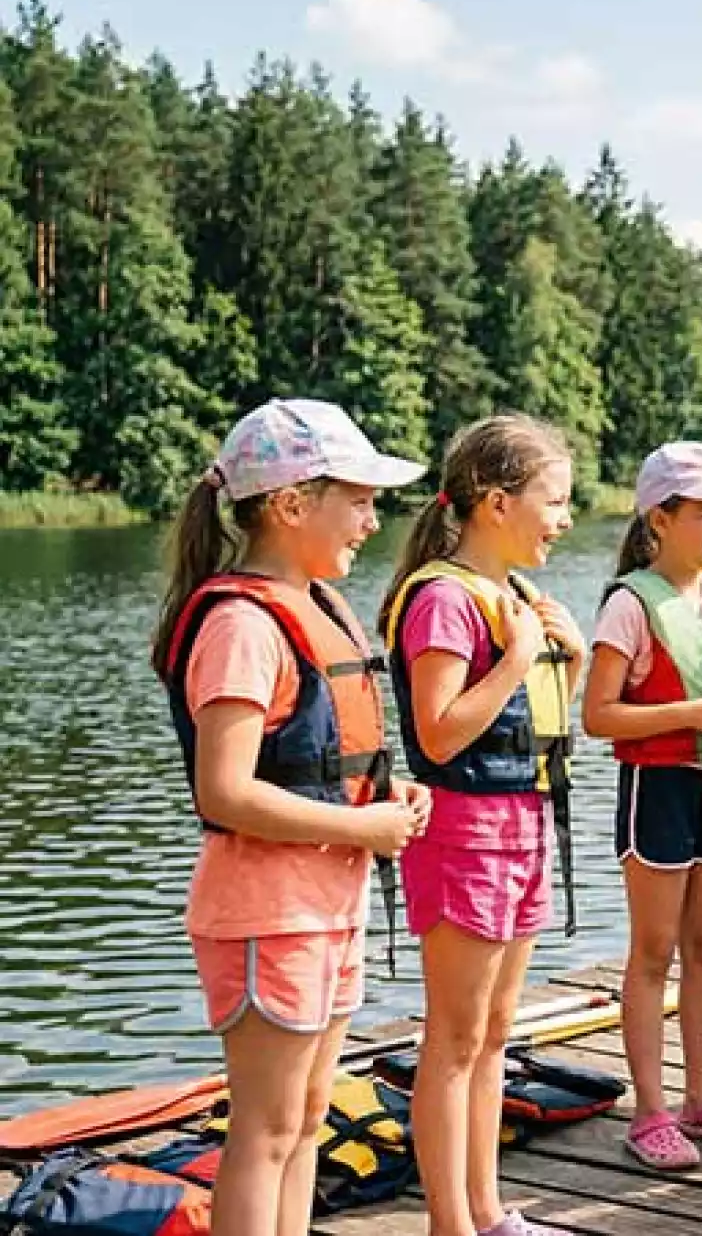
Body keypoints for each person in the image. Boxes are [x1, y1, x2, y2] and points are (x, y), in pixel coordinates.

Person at [153, 399, 430, 1236]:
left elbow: (313, 763)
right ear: (290, 503)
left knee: (308, 1117)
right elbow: (225, 791)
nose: (373, 521)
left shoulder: (321, 605)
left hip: (327, 904)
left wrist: (385, 797)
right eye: (359, 500)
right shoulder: (241, 626)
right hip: (266, 914)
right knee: (266, 1129)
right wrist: (362, 831)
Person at [378, 415, 584, 1236]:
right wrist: (518, 657)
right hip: (464, 833)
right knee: (455, 1038)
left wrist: (568, 660)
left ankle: (490, 1212)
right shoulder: (443, 600)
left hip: (523, 822)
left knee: (496, 1032)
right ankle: (448, 1223)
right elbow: (438, 734)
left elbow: (537, 727)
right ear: (497, 503)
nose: (565, 517)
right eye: (554, 500)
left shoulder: (520, 599)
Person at [581, 441, 702, 1170]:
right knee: (654, 951)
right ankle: (650, 1114)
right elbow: (598, 716)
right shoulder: (630, 605)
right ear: (659, 519)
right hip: (658, 790)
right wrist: (688, 713)